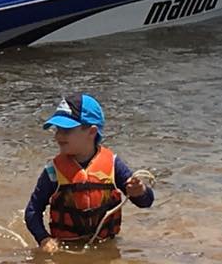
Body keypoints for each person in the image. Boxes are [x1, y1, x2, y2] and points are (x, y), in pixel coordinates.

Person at [24, 93, 154, 252]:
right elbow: (32, 211)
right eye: (57, 129)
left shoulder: (114, 165)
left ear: (91, 132)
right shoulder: (53, 172)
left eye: (66, 130)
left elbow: (146, 202)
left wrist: (140, 191)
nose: (58, 136)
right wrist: (43, 238)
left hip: (106, 247)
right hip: (66, 249)